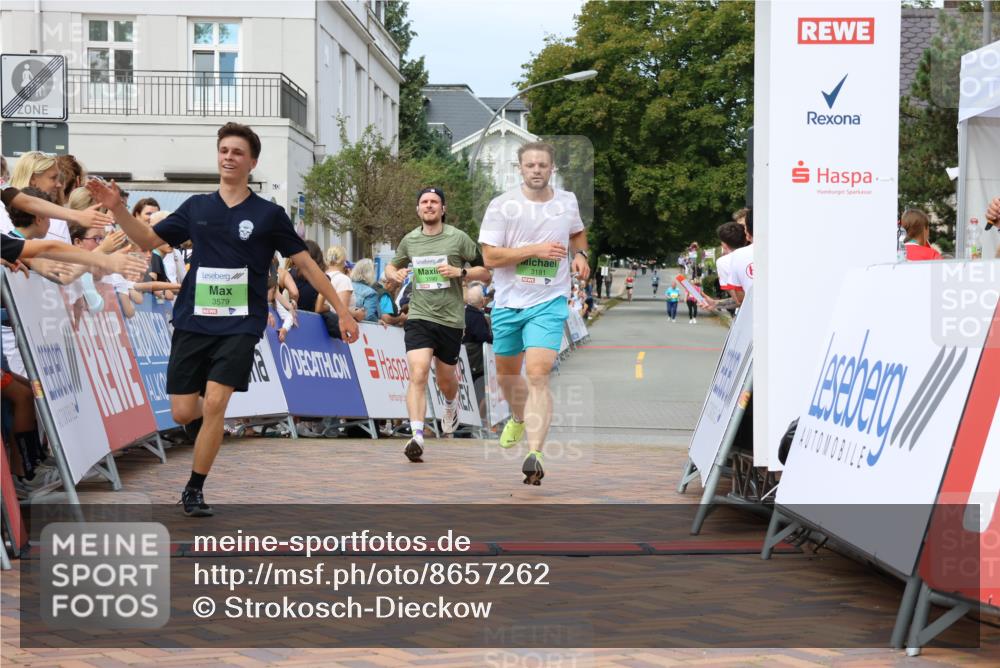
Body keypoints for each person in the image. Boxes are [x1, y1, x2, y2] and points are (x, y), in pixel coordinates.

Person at [86, 122, 358, 517]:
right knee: (183, 411)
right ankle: (206, 438)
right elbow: (146, 241)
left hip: (241, 323)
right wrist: (116, 208)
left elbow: (308, 267)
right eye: (224, 150)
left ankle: (194, 488)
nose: (229, 157)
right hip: (193, 320)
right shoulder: (197, 207)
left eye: (237, 153)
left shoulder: (269, 214)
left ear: (252, 162)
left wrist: (343, 310)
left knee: (215, 403)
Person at [479, 142, 589, 485]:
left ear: (551, 168)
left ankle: (535, 454)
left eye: (543, 165)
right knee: (509, 377)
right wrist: (536, 250)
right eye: (531, 165)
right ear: (520, 169)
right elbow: (490, 259)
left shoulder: (566, 202)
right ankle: (517, 415)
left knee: (539, 373)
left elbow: (577, 232)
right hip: (509, 302)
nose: (537, 170)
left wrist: (581, 256)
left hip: (549, 300)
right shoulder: (502, 206)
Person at [385, 187, 490, 461]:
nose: (429, 206)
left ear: (442, 209)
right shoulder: (410, 240)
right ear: (418, 209)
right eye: (424, 202)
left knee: (446, 380)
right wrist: (394, 272)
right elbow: (391, 267)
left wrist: (461, 272)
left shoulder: (458, 238)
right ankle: (417, 435)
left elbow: (485, 272)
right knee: (418, 373)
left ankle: (451, 403)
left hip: (451, 319)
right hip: (419, 315)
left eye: (434, 202)